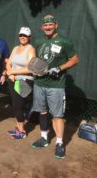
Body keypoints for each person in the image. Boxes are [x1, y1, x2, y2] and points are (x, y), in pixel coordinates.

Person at [31, 15, 79, 159]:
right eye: (45, 25)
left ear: (55, 25)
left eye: (50, 25)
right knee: (43, 112)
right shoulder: (39, 41)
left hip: (56, 86)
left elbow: (75, 59)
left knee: (57, 115)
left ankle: (59, 143)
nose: (47, 27)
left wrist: (59, 68)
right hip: (39, 83)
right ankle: (44, 138)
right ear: (42, 27)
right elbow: (35, 58)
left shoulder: (64, 41)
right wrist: (35, 67)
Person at [6, 27, 36, 139]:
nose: (23, 37)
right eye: (21, 35)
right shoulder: (15, 48)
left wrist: (12, 72)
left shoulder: (31, 49)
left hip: (25, 80)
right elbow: (9, 63)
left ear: (29, 37)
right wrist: (10, 74)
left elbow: (30, 68)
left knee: (17, 106)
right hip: (13, 79)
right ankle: (19, 128)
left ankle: (22, 131)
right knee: (16, 105)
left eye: (25, 35)